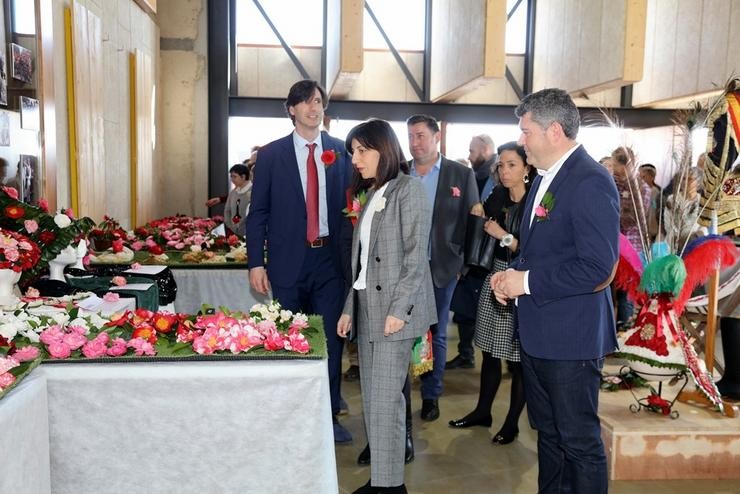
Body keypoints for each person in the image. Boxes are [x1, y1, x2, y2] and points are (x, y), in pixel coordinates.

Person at [491, 88, 620, 493]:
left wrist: (526, 283)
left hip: (571, 339)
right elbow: (541, 251)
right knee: (549, 435)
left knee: (579, 443)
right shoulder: (548, 178)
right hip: (539, 335)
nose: (521, 140)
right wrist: (509, 277)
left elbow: (598, 267)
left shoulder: (590, 181)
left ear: (554, 132)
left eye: (526, 131)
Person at [245, 79, 353, 443]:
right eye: (306, 102)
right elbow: (257, 213)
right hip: (287, 262)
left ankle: (329, 415)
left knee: (330, 341)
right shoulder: (272, 155)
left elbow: (353, 209)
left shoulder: (340, 151)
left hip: (330, 263)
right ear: (291, 109)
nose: (314, 108)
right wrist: (255, 263)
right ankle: (291, 416)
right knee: (290, 340)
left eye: (319, 101)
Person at [338, 118, 436, 494]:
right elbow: (361, 264)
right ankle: (384, 480)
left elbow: (415, 257)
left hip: (393, 313)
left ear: (385, 149)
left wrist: (399, 309)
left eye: (362, 150)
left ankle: (391, 487)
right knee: (376, 403)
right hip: (368, 308)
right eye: (352, 153)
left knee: (386, 404)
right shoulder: (374, 193)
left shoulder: (408, 190)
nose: (356, 159)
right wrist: (349, 307)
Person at [448, 142, 537, 446]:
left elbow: (535, 250)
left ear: (527, 168)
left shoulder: (537, 203)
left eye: (512, 164)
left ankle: (512, 422)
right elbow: (482, 228)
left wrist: (504, 236)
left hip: (521, 283)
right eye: (501, 165)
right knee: (488, 351)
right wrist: (478, 212)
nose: (505, 170)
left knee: (518, 360)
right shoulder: (497, 195)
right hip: (494, 277)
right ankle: (483, 411)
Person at [406, 114, 479, 421]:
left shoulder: (459, 174)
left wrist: (464, 262)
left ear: (436, 138)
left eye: (421, 135)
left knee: (434, 331)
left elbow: (473, 218)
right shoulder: (399, 173)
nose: (414, 142)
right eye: (410, 136)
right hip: (404, 268)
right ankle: (401, 393)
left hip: (442, 268)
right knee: (406, 332)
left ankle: (431, 394)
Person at [446, 134, 498, 371]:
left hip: (486, 253)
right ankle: (466, 353)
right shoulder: (476, 176)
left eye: (472, 151)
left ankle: (487, 356)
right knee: (465, 307)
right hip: (472, 252)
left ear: (485, 150)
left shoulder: (493, 177)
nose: (469, 156)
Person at [222, 164, 252, 237]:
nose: (232, 179)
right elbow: (227, 211)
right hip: (234, 233)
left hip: (250, 233)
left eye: (234, 176)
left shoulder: (254, 191)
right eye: (231, 176)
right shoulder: (233, 192)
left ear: (243, 177)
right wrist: (232, 227)